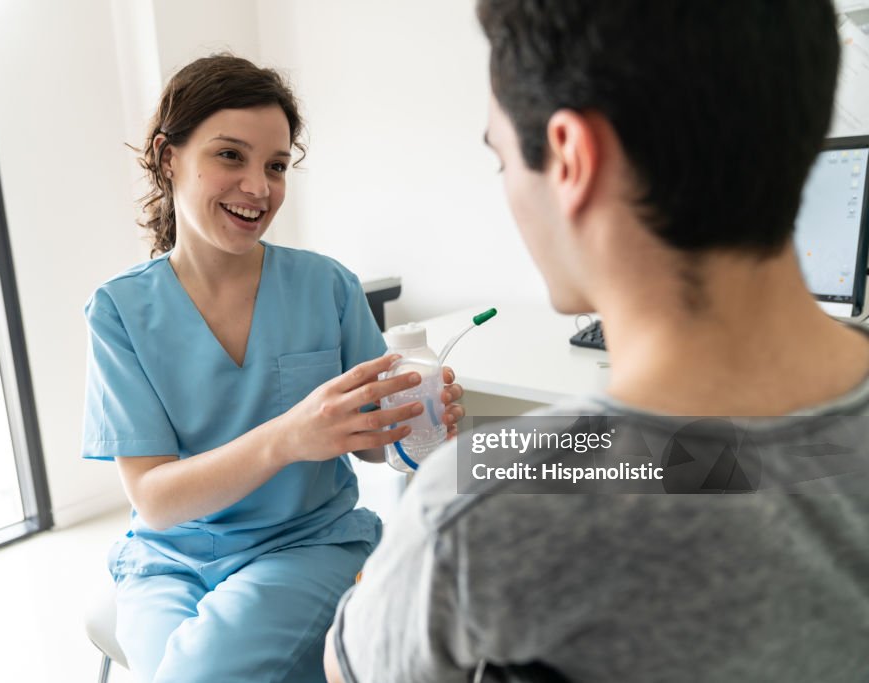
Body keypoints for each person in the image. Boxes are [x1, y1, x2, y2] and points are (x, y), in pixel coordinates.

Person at [326, 1, 869, 681]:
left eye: (503, 161)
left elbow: (354, 666)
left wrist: (387, 572)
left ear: (573, 159)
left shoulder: (486, 498)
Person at [80, 54, 465, 683]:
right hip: (167, 559)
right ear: (168, 156)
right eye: (231, 155)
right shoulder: (119, 311)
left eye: (277, 166)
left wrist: (416, 426)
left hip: (307, 544)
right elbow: (154, 500)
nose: (259, 187)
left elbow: (371, 448)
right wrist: (290, 437)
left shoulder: (327, 287)